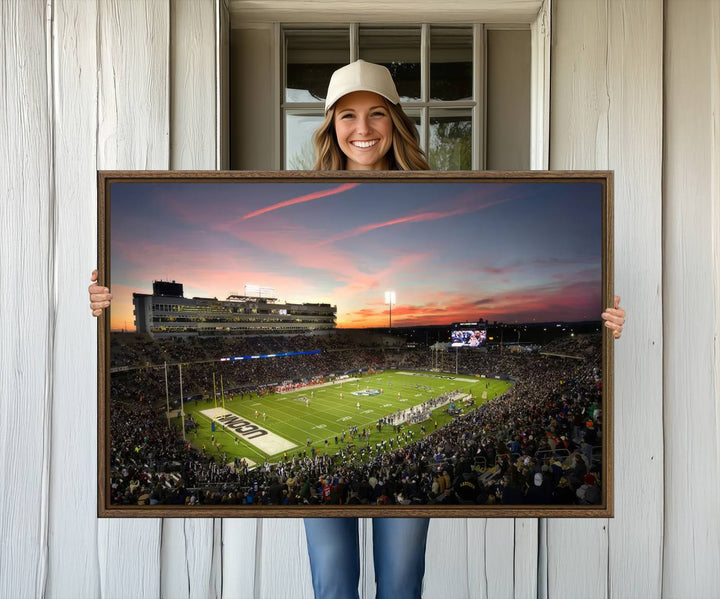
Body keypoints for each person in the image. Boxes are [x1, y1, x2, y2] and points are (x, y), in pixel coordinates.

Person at [88, 59, 627, 599]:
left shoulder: (435, 193)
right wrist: (105, 301)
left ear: (395, 120)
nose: (362, 129)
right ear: (330, 125)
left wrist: (605, 324)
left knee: (400, 582)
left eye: (376, 114)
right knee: (333, 583)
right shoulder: (301, 195)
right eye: (347, 115)